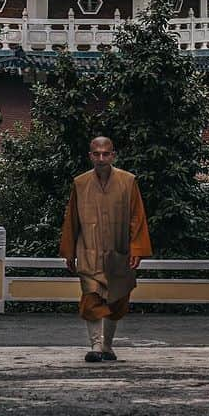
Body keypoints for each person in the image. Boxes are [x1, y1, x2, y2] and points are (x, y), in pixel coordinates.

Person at [59, 135, 152, 363]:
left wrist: (136, 249)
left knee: (117, 299)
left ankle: (107, 347)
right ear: (90, 155)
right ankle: (96, 346)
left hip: (118, 251)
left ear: (113, 155)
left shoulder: (128, 181)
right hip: (89, 251)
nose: (101, 158)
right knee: (91, 299)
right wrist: (69, 252)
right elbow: (71, 219)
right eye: (96, 154)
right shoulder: (80, 183)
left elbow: (137, 217)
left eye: (105, 153)